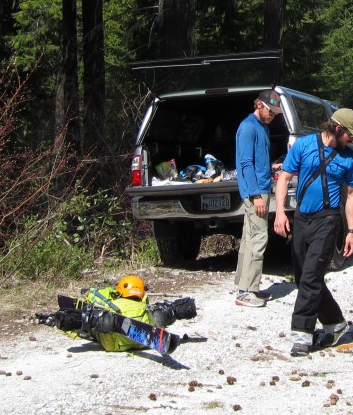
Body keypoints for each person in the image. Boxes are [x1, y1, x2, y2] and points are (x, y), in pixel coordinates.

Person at [273, 107, 353, 356]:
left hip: (328, 221)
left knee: (312, 276)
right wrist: (280, 212)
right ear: (337, 128)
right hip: (303, 218)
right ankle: (335, 323)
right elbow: (283, 178)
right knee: (304, 276)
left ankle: (302, 334)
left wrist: (350, 231)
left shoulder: (349, 158)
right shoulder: (304, 146)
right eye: (350, 134)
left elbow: (352, 195)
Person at [52, 274, 197, 352]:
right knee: (162, 312)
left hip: (110, 341)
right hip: (143, 339)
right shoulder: (143, 303)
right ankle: (183, 308)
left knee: (95, 320)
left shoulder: (106, 296)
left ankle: (85, 321)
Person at [233, 89, 283, 307]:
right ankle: (247, 293)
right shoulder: (247, 127)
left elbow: (257, 160)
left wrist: (272, 167)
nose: (272, 115)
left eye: (275, 113)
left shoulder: (262, 127)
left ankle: (244, 287)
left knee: (248, 239)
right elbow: (245, 164)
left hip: (261, 189)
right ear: (259, 105)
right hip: (256, 194)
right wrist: (255, 195)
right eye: (270, 111)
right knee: (259, 240)